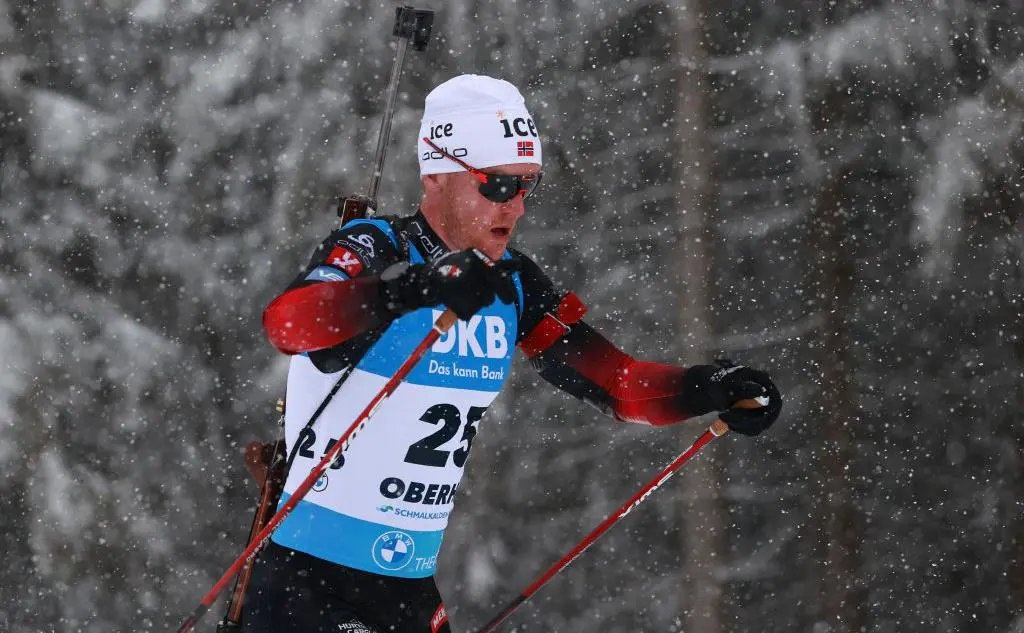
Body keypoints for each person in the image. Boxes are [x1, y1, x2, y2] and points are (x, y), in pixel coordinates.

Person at [244, 74, 782, 633]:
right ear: (437, 174)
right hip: (309, 582)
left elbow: (616, 383)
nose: (517, 207)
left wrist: (709, 388)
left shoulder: (512, 283)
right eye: (498, 185)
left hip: (406, 587)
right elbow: (288, 323)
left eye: (528, 186)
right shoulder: (380, 248)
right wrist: (411, 290)